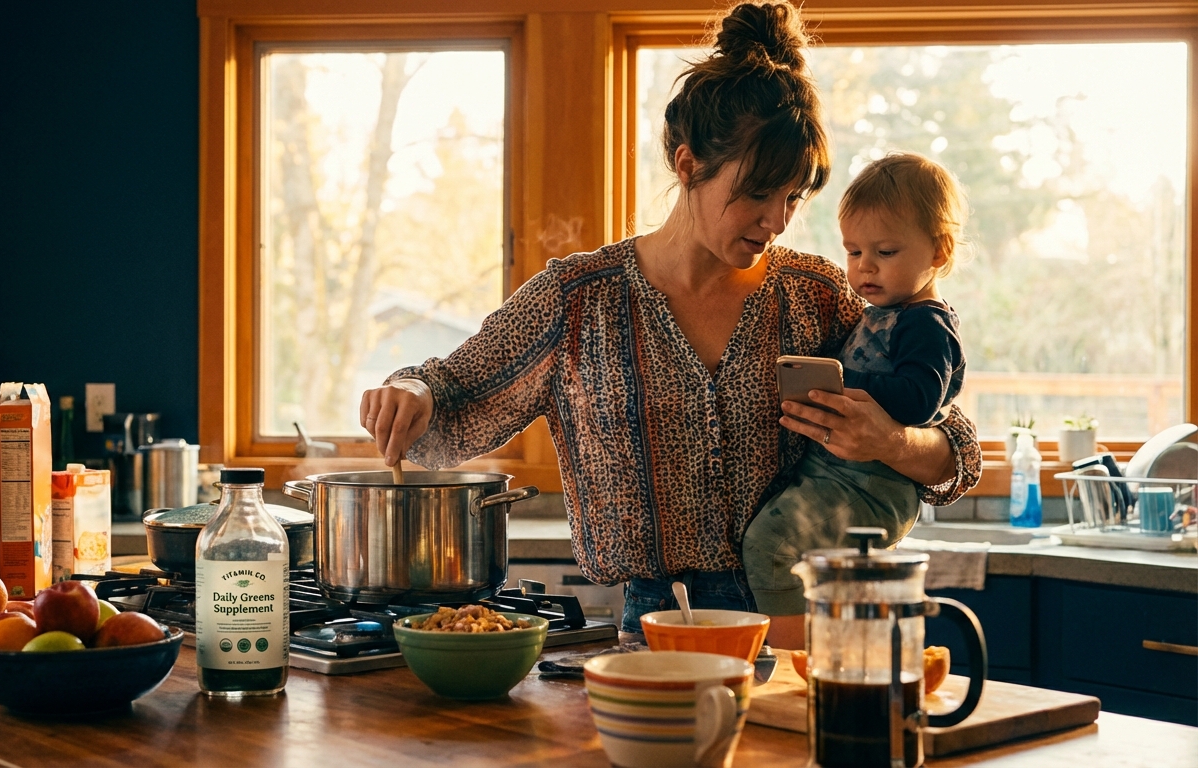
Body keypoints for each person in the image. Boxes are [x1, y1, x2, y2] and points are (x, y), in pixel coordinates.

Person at [358, 0, 981, 648]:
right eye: (759, 192)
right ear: (687, 165)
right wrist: (410, 392)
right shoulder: (579, 300)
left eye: (794, 196)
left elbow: (957, 451)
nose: (778, 220)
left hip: (804, 623)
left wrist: (891, 444)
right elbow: (449, 396)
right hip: (656, 631)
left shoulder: (817, 292)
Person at [742, 152, 970, 617]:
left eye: (884, 253)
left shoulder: (927, 324)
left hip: (872, 486)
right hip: (840, 477)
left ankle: (795, 658)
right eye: (853, 252)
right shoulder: (883, 313)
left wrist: (839, 381)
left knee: (769, 546)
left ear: (939, 251)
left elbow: (922, 400)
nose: (865, 267)